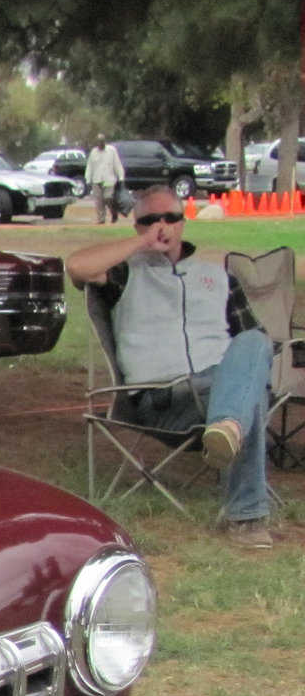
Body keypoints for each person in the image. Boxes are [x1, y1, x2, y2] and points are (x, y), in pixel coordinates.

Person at [68, 184, 275, 547]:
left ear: (183, 221)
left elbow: (253, 351)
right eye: (149, 220)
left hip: (218, 388)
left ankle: (226, 427)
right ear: (137, 226)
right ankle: (246, 516)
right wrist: (141, 244)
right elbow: (77, 266)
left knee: (255, 343)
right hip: (165, 399)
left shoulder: (219, 279)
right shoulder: (124, 273)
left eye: (170, 217)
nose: (161, 225)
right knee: (249, 395)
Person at [85, 139, 125, 223]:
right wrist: (88, 179)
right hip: (96, 179)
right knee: (99, 202)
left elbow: (117, 164)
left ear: (104, 142)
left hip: (109, 180)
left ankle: (114, 212)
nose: (100, 143)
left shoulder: (111, 150)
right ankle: (101, 220)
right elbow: (90, 166)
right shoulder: (93, 152)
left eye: (101, 141)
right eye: (98, 142)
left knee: (108, 197)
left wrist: (121, 177)